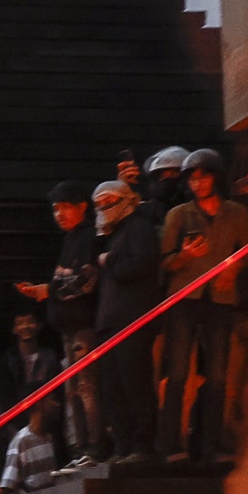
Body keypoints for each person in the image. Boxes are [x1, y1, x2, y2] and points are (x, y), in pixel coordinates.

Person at [156, 148, 248, 464]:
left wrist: (234, 267)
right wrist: (185, 256)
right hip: (184, 299)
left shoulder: (237, 213)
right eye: (192, 179)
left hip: (221, 301)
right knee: (179, 373)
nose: (198, 183)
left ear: (216, 176)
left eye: (203, 176)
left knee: (217, 376)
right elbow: (165, 262)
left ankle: (209, 447)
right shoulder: (179, 215)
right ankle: (171, 446)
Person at [91, 179, 163, 466]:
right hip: (108, 320)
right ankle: (122, 445)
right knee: (112, 387)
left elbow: (143, 264)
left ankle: (143, 445)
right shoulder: (110, 233)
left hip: (132, 319)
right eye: (100, 203)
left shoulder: (138, 227)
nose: (105, 207)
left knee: (135, 383)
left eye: (110, 200)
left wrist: (110, 261)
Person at [43, 180, 106, 464]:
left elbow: (86, 280)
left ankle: (94, 446)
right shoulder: (69, 240)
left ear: (83, 207)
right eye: (55, 209)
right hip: (67, 325)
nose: (59, 214)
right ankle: (79, 448)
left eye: (65, 207)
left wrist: (51, 290)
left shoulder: (88, 237)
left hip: (83, 323)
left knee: (86, 388)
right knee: (72, 391)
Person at [0, 399, 65, 494]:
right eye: (51, 399)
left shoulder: (49, 439)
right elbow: (5, 489)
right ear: (39, 404)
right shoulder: (22, 441)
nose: (56, 403)